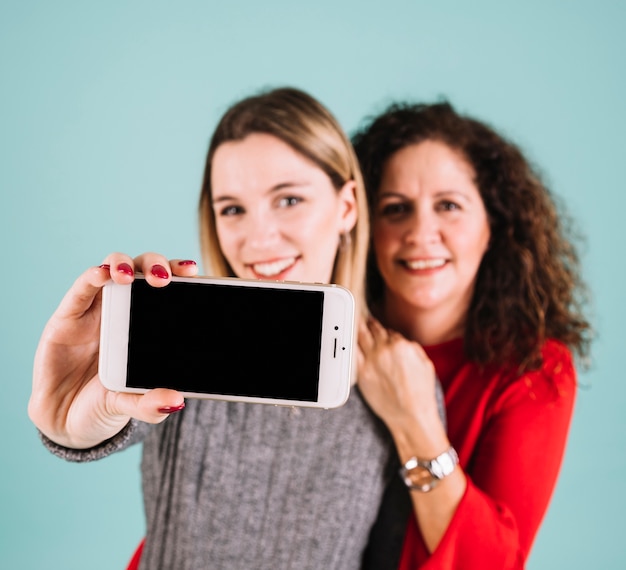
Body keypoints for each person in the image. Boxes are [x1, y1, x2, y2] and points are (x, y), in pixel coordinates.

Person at [28, 87, 444, 570]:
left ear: (347, 207)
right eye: (232, 209)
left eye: (288, 199)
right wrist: (69, 424)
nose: (259, 238)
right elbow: (102, 425)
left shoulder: (402, 380)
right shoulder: (187, 338)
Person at [352, 101, 592, 569]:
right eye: (395, 209)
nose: (421, 233)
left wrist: (413, 421)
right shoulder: (331, 339)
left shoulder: (533, 369)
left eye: (449, 206)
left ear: (492, 227)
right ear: (364, 227)